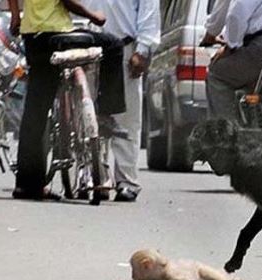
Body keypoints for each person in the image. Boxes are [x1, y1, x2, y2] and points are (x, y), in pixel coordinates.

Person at [8, 0, 127, 200]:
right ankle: (106, 114)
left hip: (32, 39)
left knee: (35, 113)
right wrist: (93, 16)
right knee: (114, 45)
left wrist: (14, 17)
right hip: (57, 36)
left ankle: (27, 185)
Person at [82, 0, 160, 202]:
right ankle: (91, 176)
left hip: (124, 50)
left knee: (126, 120)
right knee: (85, 115)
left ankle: (126, 181)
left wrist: (143, 50)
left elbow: (149, 10)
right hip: (84, 45)